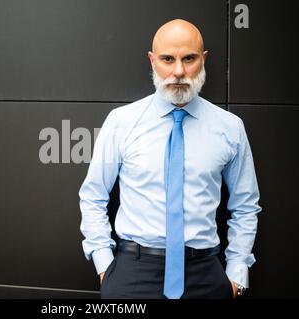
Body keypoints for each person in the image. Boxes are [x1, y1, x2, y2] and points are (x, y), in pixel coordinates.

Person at [79, 19, 262, 299]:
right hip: (133, 275)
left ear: (203, 60)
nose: (178, 71)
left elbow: (246, 206)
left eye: (188, 58)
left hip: (206, 276)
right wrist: (105, 266)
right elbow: (93, 196)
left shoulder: (230, 127)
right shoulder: (121, 122)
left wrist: (236, 272)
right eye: (168, 59)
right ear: (153, 61)